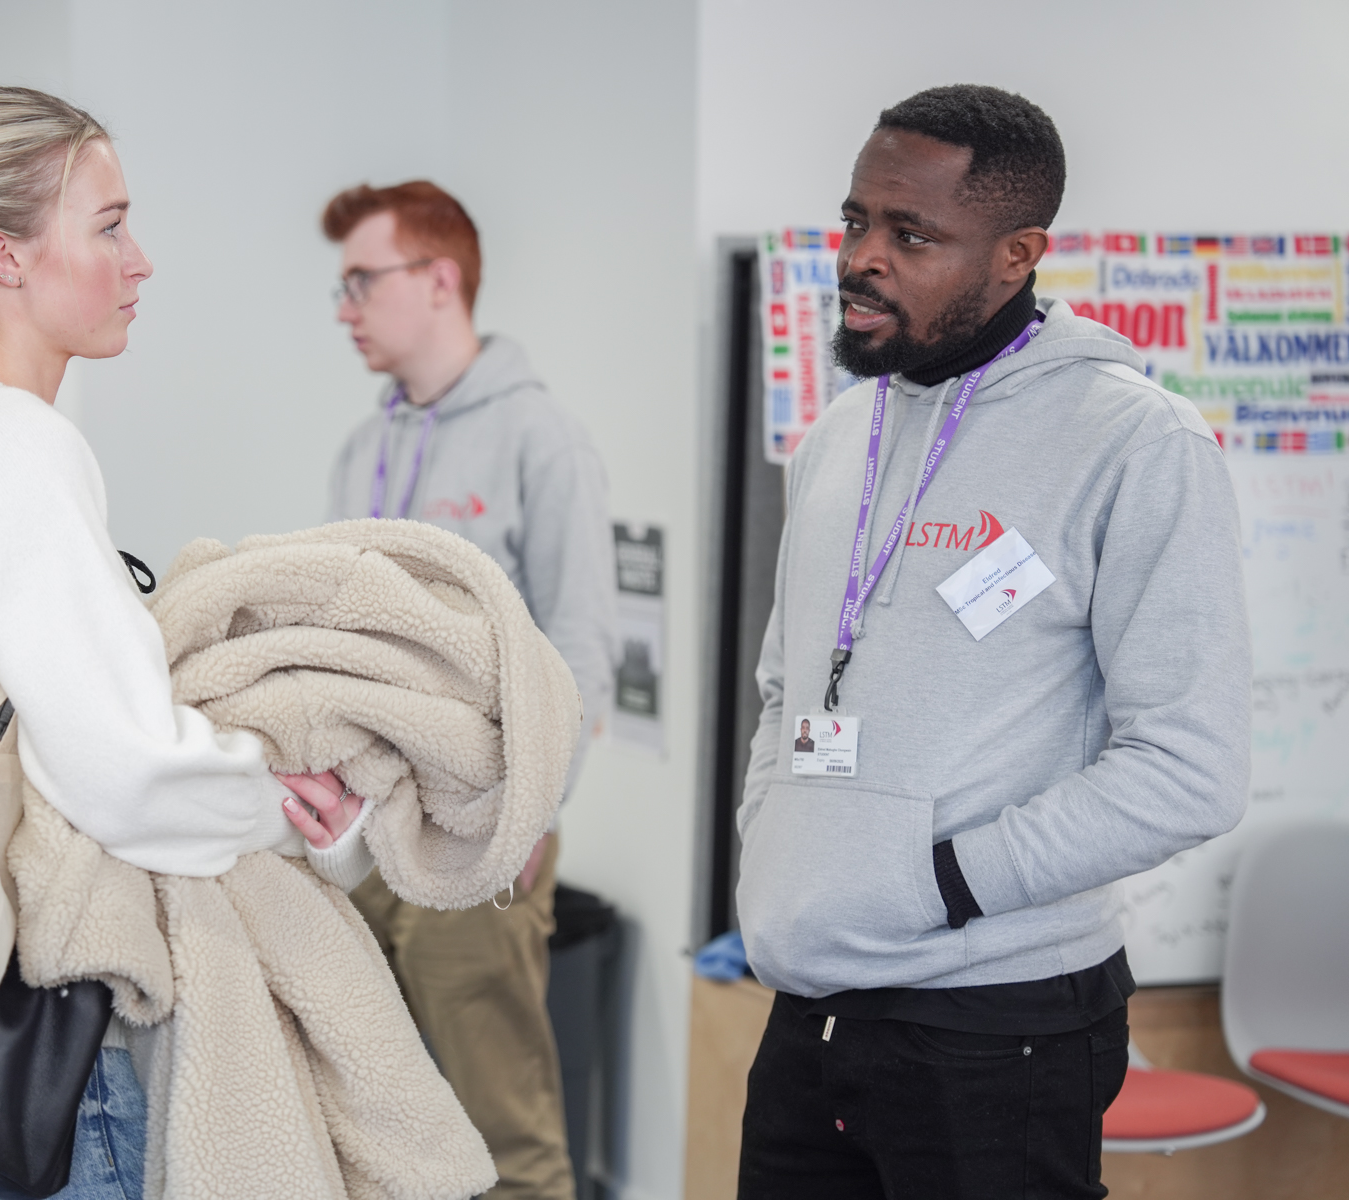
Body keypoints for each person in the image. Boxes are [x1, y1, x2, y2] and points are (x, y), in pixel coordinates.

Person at [0, 87, 371, 1200]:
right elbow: (125, 773)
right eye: (109, 225)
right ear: (4, 257)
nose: (140, 260)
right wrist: (302, 806)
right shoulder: (16, 446)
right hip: (45, 1061)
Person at [734, 85, 1250, 1199]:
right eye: (855, 221)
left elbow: (1189, 772)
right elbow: (785, 688)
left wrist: (937, 884)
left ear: (1017, 254)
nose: (862, 257)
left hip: (995, 1030)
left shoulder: (1134, 445)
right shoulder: (834, 436)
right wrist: (774, 843)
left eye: (910, 234)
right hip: (810, 1011)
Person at [321, 180, 616, 1200]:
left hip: (481, 832)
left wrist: (530, 813)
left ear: (440, 279)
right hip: (365, 832)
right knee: (373, 1127)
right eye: (341, 286)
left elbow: (581, 652)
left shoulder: (543, 439)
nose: (346, 307)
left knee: (504, 1140)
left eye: (363, 279)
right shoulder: (363, 450)